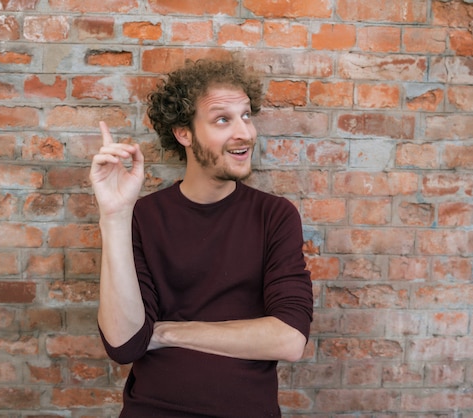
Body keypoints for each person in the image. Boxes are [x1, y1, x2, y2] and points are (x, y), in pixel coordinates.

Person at [89, 58, 314, 417]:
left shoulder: (274, 216)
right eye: (223, 119)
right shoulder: (144, 217)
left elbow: (289, 339)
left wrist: (164, 334)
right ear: (184, 133)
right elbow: (125, 344)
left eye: (246, 115)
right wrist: (115, 216)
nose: (245, 132)